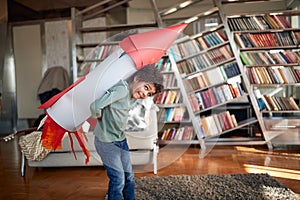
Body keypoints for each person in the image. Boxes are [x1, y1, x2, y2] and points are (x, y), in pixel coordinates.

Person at [90, 65, 164, 200]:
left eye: (149, 94)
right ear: (137, 78)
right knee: (118, 178)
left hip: (120, 139)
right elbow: (95, 106)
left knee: (129, 176)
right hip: (107, 142)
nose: (144, 94)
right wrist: (99, 116)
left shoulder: (133, 97)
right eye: (146, 88)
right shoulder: (122, 90)